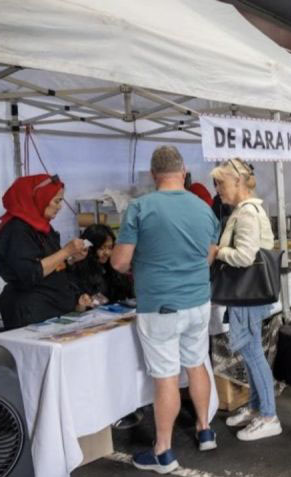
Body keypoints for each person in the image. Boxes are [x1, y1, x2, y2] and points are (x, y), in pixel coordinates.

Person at [111, 145, 220, 473]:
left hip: (160, 305)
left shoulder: (140, 208)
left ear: (154, 174)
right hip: (199, 301)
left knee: (166, 377)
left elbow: (119, 262)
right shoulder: (204, 208)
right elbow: (210, 254)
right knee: (197, 363)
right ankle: (205, 430)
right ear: (183, 172)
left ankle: (163, 451)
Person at [211, 159, 282, 441]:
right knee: (251, 353)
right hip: (246, 295)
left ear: (238, 182)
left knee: (253, 354)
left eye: (221, 183)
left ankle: (268, 415)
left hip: (247, 295)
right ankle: (257, 408)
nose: (217, 190)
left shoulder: (248, 213)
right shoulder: (246, 210)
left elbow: (244, 256)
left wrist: (217, 252)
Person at [0, 174, 92, 330]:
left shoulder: (42, 227)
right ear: (39, 198)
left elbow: (49, 263)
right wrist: (66, 251)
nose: (60, 207)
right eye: (56, 201)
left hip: (52, 306)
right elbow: (29, 273)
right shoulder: (16, 230)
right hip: (30, 310)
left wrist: (71, 259)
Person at [72, 224, 133, 304]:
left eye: (110, 248)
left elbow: (128, 292)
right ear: (90, 248)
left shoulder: (111, 267)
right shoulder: (77, 270)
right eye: (101, 248)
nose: (107, 253)